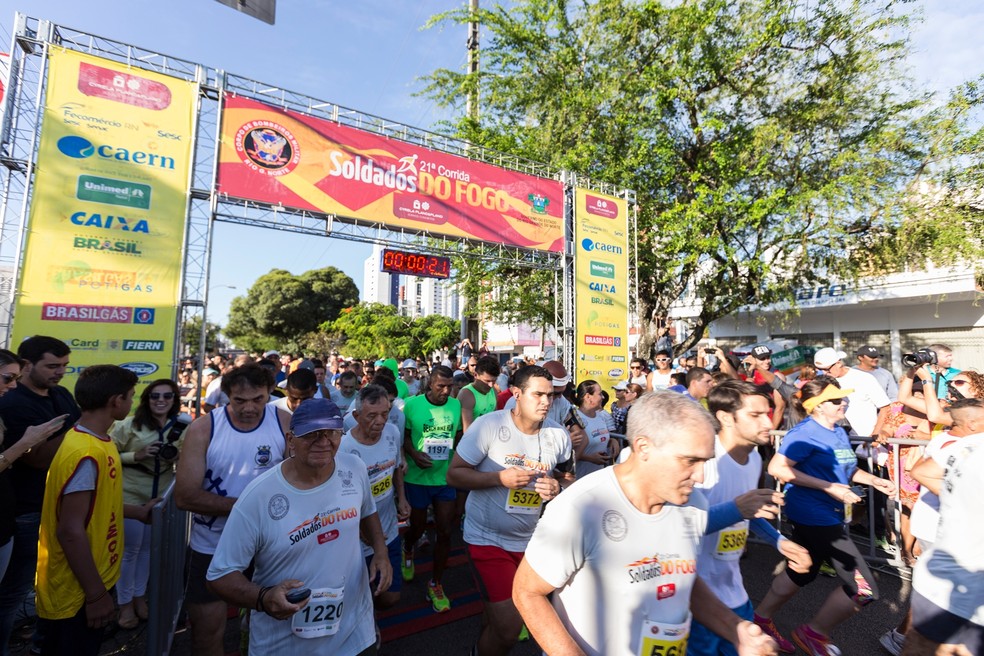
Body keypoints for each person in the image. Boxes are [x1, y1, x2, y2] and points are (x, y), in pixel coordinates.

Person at [512, 392, 779, 656]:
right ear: (643, 447)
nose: (699, 476)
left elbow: (681, 576)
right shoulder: (582, 507)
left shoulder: (694, 503)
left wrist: (736, 630)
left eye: (705, 461)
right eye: (689, 461)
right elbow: (528, 592)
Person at [206, 398, 391, 655]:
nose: (323, 441)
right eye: (311, 434)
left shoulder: (354, 468)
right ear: (290, 439)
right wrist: (263, 599)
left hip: (355, 634)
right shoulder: (258, 497)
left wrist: (381, 553)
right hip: (283, 645)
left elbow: (367, 511)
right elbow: (219, 576)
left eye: (331, 433)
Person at [753, 378, 896, 656]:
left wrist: (874, 481)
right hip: (813, 515)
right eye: (836, 400)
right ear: (817, 407)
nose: (843, 402)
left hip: (829, 515)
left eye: (842, 398)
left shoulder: (839, 431)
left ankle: (759, 620)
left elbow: (847, 469)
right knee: (863, 588)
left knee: (801, 571)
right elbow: (778, 468)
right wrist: (829, 487)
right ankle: (813, 633)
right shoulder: (804, 434)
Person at [446, 365, 572, 656]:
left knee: (497, 618)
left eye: (550, 396)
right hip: (487, 539)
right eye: (538, 394)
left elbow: (567, 477)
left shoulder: (558, 435)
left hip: (533, 543)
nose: (546, 402)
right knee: (509, 629)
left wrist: (558, 487)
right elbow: (454, 475)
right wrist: (497, 478)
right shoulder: (488, 426)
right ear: (516, 393)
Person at [35, 365, 156, 656]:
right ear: (116, 401)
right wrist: (96, 594)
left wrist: (137, 512)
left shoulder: (97, 441)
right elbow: (70, 530)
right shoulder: (85, 452)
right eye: (131, 396)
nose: (132, 402)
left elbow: (98, 506)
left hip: (90, 580)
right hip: (76, 592)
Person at [690, 380, 813, 656]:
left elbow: (748, 510)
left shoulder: (755, 458)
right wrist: (737, 509)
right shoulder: (703, 462)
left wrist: (780, 542)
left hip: (734, 592)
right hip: (696, 600)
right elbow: (682, 525)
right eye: (755, 415)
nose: (768, 423)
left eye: (768, 413)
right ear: (725, 417)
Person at [175, 363, 290, 656]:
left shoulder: (284, 422)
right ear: (225, 395)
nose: (249, 408)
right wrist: (247, 509)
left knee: (274, 625)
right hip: (212, 545)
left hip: (269, 544)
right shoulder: (204, 428)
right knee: (206, 634)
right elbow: (185, 497)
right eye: (239, 400)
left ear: (269, 394)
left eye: (258, 399)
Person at [0, 336, 81, 655]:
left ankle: (42, 644)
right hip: (22, 512)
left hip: (52, 505)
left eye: (64, 366)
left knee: (46, 586)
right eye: (52, 366)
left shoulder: (60, 393)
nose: (60, 372)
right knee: (10, 594)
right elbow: (34, 458)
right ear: (29, 363)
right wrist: (32, 441)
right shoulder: (12, 403)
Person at [904, 418, 984, 656]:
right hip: (954, 588)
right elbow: (920, 471)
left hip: (943, 585)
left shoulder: (968, 444)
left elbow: (922, 471)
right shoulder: (969, 445)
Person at [110, 378, 185, 629]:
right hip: (129, 495)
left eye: (167, 396)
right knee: (129, 552)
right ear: (146, 399)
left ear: (175, 399)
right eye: (155, 396)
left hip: (160, 497)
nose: (161, 401)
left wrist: (179, 456)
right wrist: (137, 455)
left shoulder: (183, 426)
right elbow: (106, 455)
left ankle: (139, 598)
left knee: (146, 552)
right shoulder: (129, 425)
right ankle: (124, 605)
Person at [0, 350, 68, 584]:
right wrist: (25, 443)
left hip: (7, 521)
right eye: (7, 378)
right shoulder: (14, 406)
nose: (13, 386)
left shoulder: (60, 395)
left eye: (16, 379)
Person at [340, 385, 409, 612]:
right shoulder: (344, 449)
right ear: (356, 416)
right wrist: (363, 534)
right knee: (357, 594)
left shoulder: (392, 432)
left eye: (385, 413)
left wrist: (402, 498)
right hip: (357, 540)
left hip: (388, 530)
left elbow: (396, 465)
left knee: (390, 597)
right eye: (372, 415)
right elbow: (342, 502)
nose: (380, 421)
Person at [401, 365, 462, 612]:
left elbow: (457, 437)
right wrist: (414, 454)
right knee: (417, 527)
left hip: (444, 478)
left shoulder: (455, 405)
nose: (446, 391)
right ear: (430, 384)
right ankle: (408, 546)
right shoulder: (412, 405)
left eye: (449, 387)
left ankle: (435, 583)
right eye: (441, 386)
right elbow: (403, 437)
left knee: (446, 531)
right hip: (417, 478)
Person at [573, 379, 618, 477]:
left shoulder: (601, 416)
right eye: (600, 394)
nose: (603, 397)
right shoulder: (574, 419)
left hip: (598, 477)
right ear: (588, 397)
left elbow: (600, 437)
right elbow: (568, 455)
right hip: (580, 478)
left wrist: (612, 440)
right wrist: (589, 458)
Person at [459, 356, 500, 433]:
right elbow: (468, 431)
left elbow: (494, 420)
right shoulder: (467, 394)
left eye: (494, 381)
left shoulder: (493, 391)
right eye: (487, 381)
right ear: (475, 375)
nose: (491, 385)